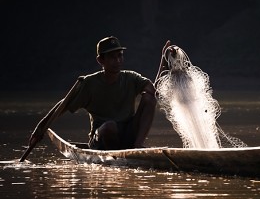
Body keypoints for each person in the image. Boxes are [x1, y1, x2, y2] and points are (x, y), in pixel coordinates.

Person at [28, 36, 171, 150]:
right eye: (112, 57)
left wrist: (163, 61)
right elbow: (63, 105)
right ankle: (112, 155)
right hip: (102, 138)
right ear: (100, 60)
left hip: (127, 135)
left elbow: (154, 91)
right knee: (110, 126)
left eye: (120, 56)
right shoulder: (89, 83)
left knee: (149, 98)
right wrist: (39, 130)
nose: (118, 61)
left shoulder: (131, 78)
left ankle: (137, 146)